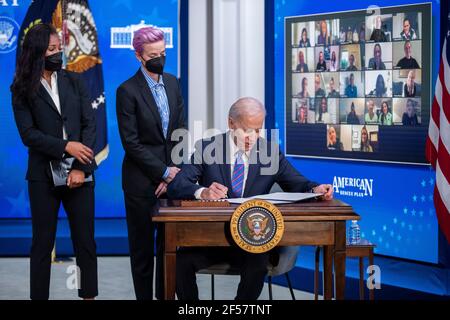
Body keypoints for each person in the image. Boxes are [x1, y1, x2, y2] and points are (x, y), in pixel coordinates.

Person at [167, 97, 334, 300]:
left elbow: (297, 182)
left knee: (258, 261)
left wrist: (316, 188)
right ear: (231, 123)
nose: (252, 137)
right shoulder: (206, 148)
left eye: (258, 130)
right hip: (213, 239)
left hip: (253, 239)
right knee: (179, 262)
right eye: (246, 130)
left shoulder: (269, 152)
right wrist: (202, 192)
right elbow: (177, 185)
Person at [10, 23, 98, 300]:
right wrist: (65, 147)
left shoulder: (75, 80)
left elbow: (90, 125)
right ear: (36, 53)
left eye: (59, 48)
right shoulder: (21, 89)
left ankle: (88, 295)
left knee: (85, 242)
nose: (57, 53)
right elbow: (28, 135)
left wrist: (81, 168)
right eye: (51, 49)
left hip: (80, 175)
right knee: (42, 243)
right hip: (42, 177)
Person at [116, 26, 185, 300]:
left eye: (163, 53)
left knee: (167, 248)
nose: (160, 58)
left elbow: (179, 130)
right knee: (143, 250)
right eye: (153, 54)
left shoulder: (172, 82)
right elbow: (131, 143)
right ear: (138, 56)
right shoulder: (127, 91)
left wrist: (174, 173)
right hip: (140, 182)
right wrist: (163, 172)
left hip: (170, 180)